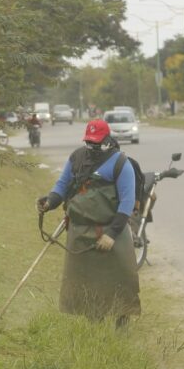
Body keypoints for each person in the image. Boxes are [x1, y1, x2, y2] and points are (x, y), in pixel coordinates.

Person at [37, 119, 140, 327]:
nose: (92, 146)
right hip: (80, 232)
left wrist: (111, 234)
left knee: (119, 281)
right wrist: (50, 202)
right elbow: (62, 185)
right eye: (89, 142)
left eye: (96, 142)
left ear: (107, 140)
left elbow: (127, 202)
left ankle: (121, 324)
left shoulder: (121, 164)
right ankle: (94, 326)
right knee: (86, 282)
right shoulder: (76, 158)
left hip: (112, 232)